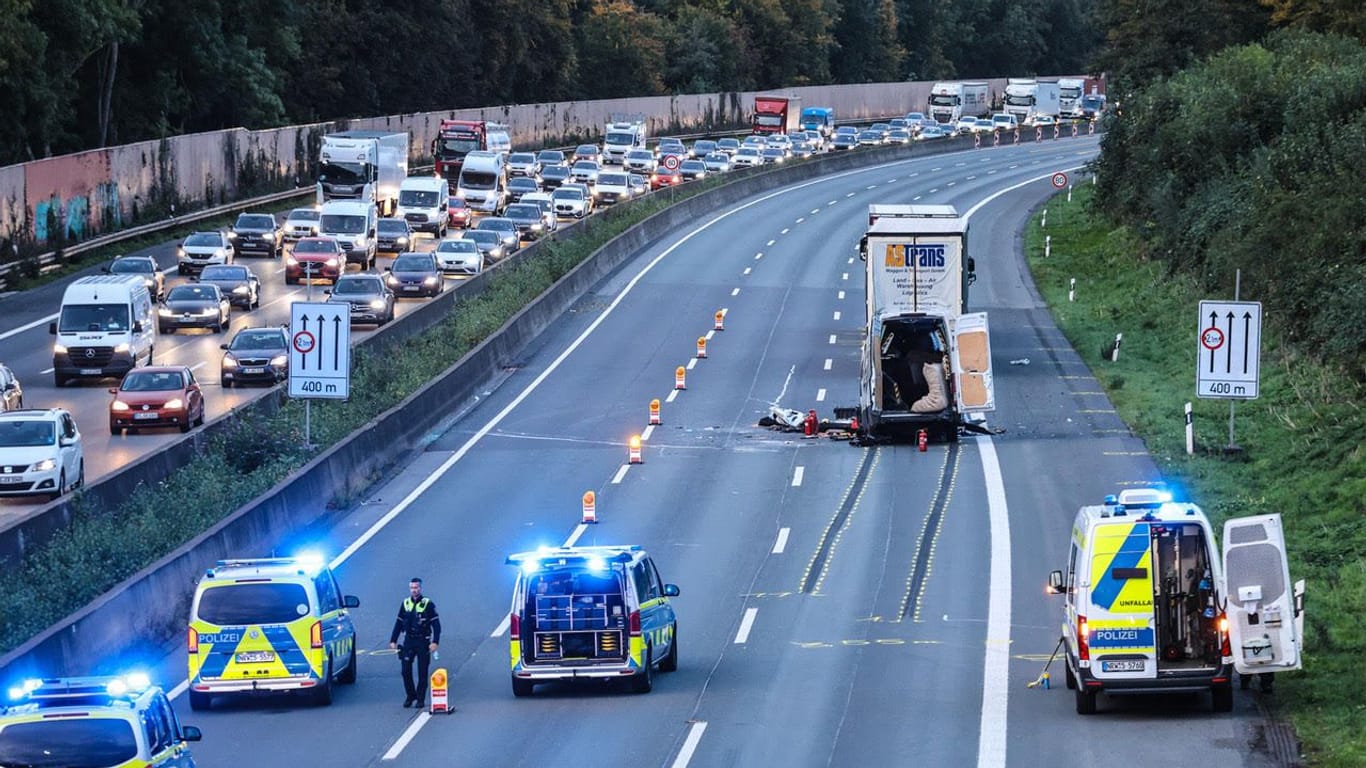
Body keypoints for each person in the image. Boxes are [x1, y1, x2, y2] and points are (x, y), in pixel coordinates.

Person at [389, 577, 441, 708]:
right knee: (405, 670)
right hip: (409, 640)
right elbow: (399, 622)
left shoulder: (428, 604)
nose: (414, 590)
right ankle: (410, 695)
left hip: (423, 641)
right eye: (412, 588)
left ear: (420, 588)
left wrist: (435, 642)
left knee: (422, 671)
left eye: (416, 587)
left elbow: (436, 625)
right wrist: (393, 640)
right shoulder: (405, 603)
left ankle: (420, 698)